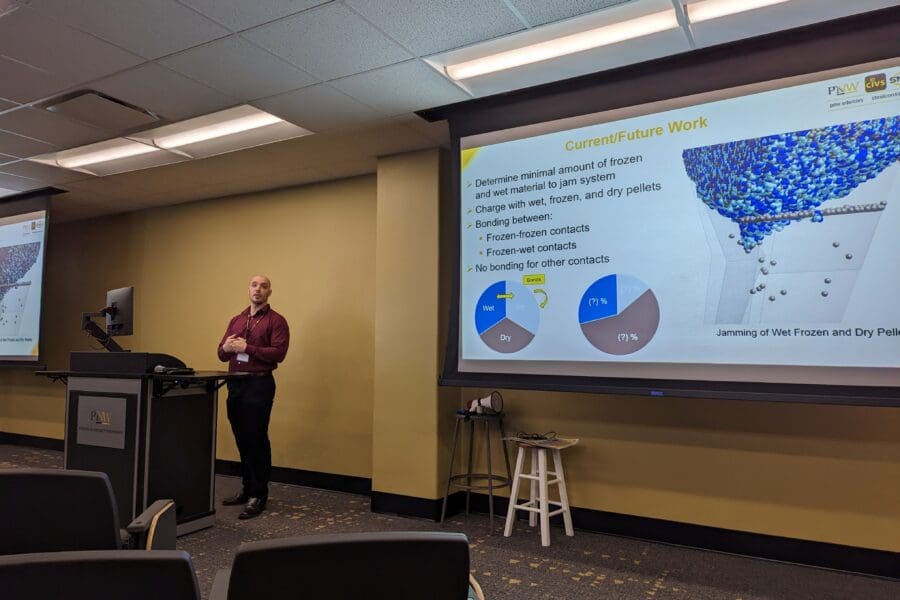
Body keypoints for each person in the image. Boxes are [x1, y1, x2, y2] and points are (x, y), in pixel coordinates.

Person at [217, 275, 289, 519]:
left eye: (264, 286)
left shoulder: (276, 321)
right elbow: (221, 354)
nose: (258, 289)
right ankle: (247, 489)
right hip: (235, 385)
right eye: (254, 285)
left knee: (256, 439)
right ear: (248, 289)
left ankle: (258, 495)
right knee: (241, 439)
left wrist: (246, 348)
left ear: (270, 292)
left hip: (259, 385)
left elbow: (279, 353)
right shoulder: (236, 320)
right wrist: (227, 348)